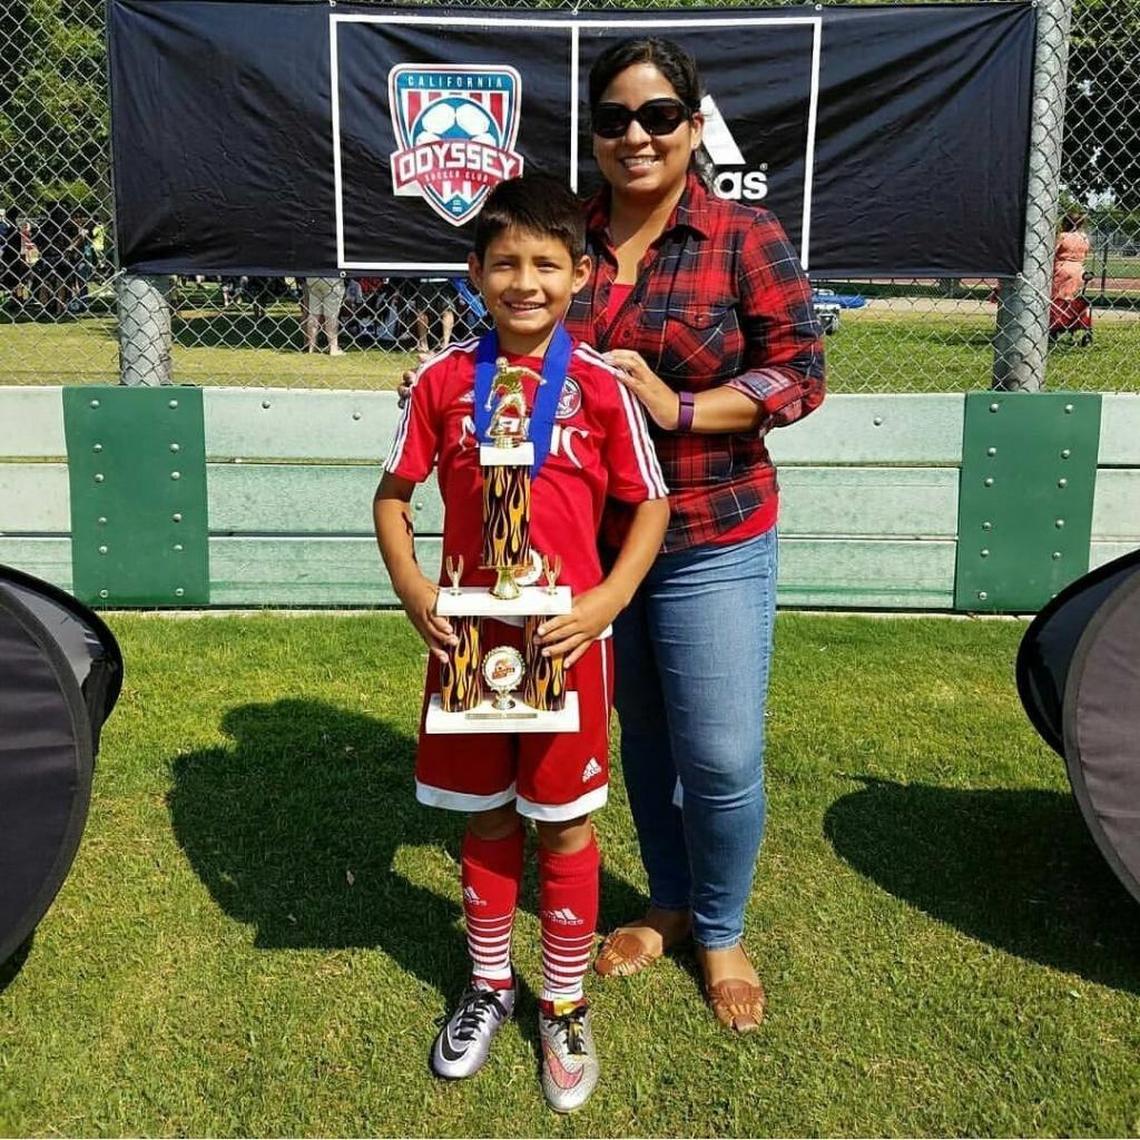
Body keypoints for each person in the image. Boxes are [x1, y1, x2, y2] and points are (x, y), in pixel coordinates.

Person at [374, 174, 668, 1111]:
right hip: (467, 646)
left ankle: (565, 1001)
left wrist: (607, 600)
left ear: (580, 275)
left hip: (566, 645)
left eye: (547, 263)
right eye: (505, 262)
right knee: (486, 813)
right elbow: (392, 496)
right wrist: (415, 585)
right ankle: (492, 984)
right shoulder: (439, 381)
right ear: (474, 273)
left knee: (565, 819)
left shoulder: (600, 386)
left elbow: (650, 503)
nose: (525, 281)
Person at [559, 37, 826, 1032]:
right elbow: (516, 331)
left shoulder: (740, 235)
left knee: (716, 755)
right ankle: (667, 903)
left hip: (714, 532)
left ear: (693, 121)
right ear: (592, 131)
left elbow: (797, 371)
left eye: (658, 114)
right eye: (615, 117)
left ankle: (720, 927)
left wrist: (683, 407)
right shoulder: (566, 234)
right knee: (642, 735)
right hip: (592, 542)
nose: (636, 135)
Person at [1052, 211, 1090, 301]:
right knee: (1072, 298)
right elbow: (1086, 252)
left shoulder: (1063, 236)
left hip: (1062, 268)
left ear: (1065, 223)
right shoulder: (1084, 237)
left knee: (1057, 298)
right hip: (1078, 269)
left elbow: (1053, 252)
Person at [302, 276, 345, 354]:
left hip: (313, 276)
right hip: (332, 277)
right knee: (331, 315)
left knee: (313, 313)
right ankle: (333, 347)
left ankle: (311, 346)